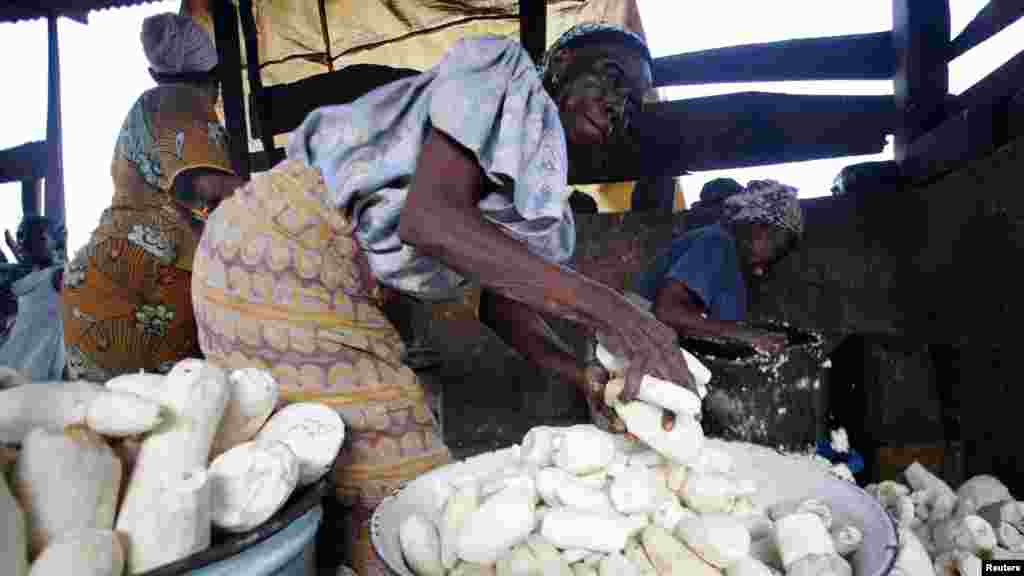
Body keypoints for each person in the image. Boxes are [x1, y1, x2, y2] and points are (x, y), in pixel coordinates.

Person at [190, 23, 695, 574]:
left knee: (337, 491)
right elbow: (429, 220)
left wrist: (583, 375)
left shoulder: (529, 179)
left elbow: (501, 301)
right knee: (415, 505)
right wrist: (619, 313)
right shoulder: (506, 77)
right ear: (564, 59)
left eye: (633, 104)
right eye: (613, 76)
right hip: (284, 252)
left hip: (291, 265)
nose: (619, 104)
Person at [61, 13, 245, 381]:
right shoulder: (181, 99)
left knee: (123, 421)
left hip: (100, 286)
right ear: (212, 79)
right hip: (142, 285)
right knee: (179, 409)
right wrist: (279, 194)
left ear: (154, 72)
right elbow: (207, 184)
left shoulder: (146, 106)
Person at [634, 180, 804, 355]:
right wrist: (748, 335)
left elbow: (708, 326)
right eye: (775, 247)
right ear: (757, 226)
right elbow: (666, 311)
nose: (771, 259)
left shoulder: (732, 261)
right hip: (635, 343)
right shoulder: (716, 243)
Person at [0, 216, 68, 381]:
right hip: (11, 362)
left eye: (40, 237)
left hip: (38, 372)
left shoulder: (59, 275)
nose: (25, 242)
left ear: (55, 243)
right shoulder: (20, 280)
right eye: (21, 236)